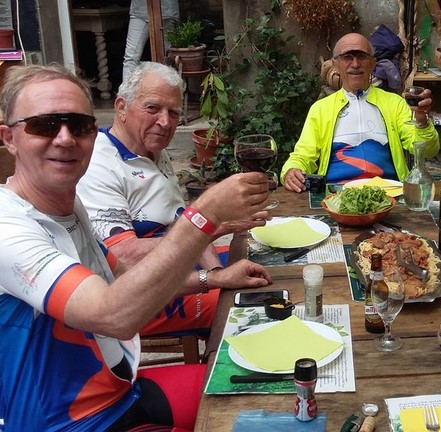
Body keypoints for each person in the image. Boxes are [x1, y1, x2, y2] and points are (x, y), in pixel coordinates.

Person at [0, 64, 272, 430]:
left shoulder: (67, 204)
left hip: (122, 392)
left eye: (79, 126)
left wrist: (214, 278)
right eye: (44, 125)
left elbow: (122, 272)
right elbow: (113, 315)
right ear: (10, 138)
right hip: (72, 424)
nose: (65, 139)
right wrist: (203, 215)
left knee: (265, 388)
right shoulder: (8, 227)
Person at [77, 61, 250, 338]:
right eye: (152, 108)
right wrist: (213, 269)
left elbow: (184, 221)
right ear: (121, 107)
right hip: (140, 297)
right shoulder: (99, 163)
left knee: (262, 262)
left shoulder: (151, 149)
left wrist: (217, 270)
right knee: (251, 307)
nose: (165, 122)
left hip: (178, 270)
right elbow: (121, 255)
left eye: (173, 112)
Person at [281, 32, 440, 192]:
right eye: (347, 57)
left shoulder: (394, 103)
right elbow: (303, 155)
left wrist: (422, 122)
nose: (355, 64)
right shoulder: (321, 109)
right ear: (335, 65)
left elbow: (428, 151)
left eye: (362, 56)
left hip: (389, 193)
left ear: (373, 63)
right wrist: (291, 170)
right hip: (335, 195)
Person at [123, 0, 180, 80]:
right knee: (131, 57)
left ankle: (165, 86)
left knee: (166, 58)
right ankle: (127, 88)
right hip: (139, 12)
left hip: (166, 12)